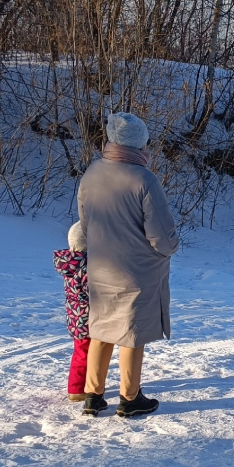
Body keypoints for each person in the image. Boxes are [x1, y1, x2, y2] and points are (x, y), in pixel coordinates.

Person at [76, 112, 180, 418]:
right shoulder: (144, 179)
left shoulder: (92, 174)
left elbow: (86, 224)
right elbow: (160, 234)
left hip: (101, 267)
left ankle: (93, 395)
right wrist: (170, 248)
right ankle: (130, 397)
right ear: (141, 144)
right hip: (138, 271)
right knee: (131, 333)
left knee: (102, 329)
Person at [52, 221, 91, 402]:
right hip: (88, 317)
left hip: (75, 316)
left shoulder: (70, 264)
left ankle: (80, 386)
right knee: (85, 354)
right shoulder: (86, 266)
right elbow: (91, 291)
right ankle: (77, 388)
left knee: (80, 352)